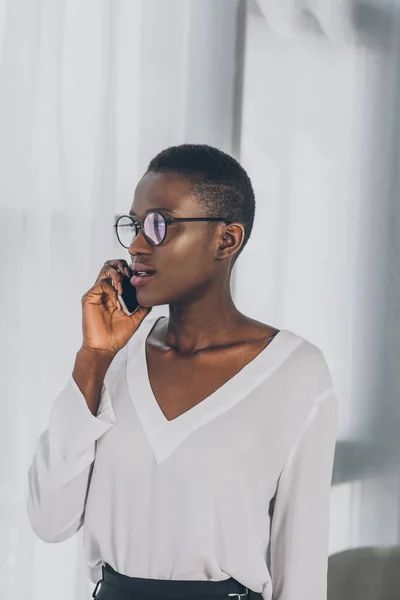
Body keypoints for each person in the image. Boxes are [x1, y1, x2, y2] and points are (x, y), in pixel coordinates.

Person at [26, 144, 338, 600]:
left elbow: (303, 568)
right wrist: (94, 356)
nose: (135, 245)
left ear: (225, 240)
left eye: (159, 225)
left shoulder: (296, 372)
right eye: (133, 225)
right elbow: (49, 521)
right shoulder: (115, 362)